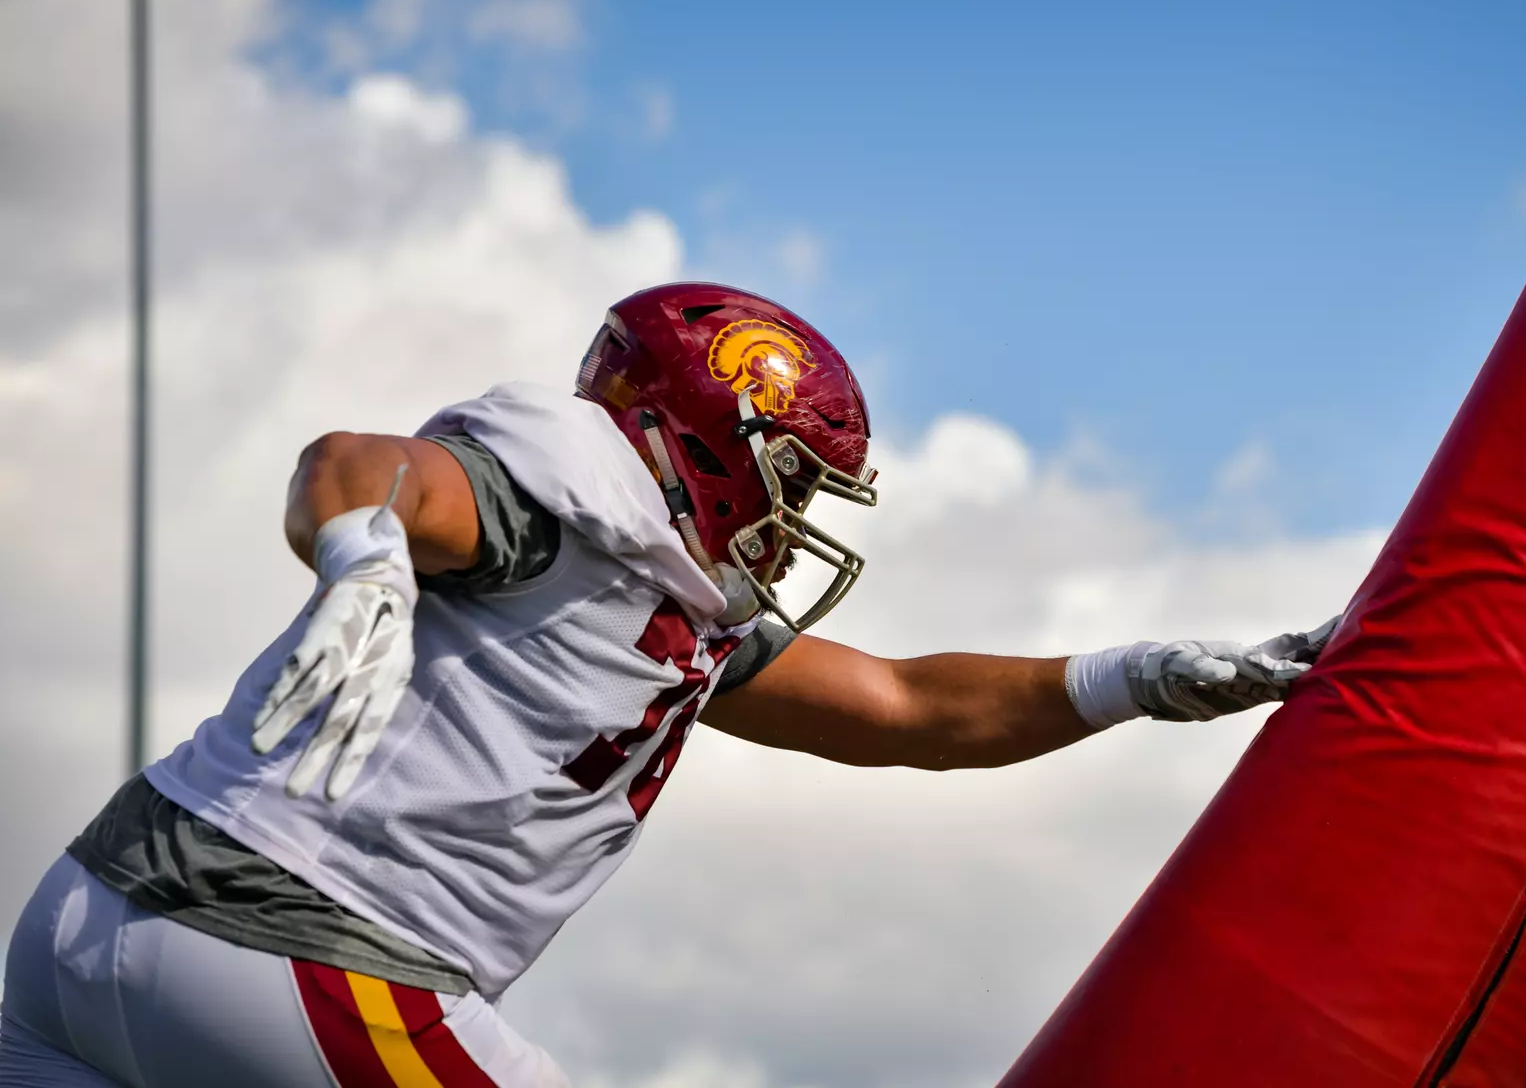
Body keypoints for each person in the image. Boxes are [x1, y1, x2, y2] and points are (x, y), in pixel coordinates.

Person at [0, 283, 1336, 1087]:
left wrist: (1139, 677)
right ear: (700, 432)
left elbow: (912, 711)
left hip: (89, 925)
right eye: (791, 476)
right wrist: (363, 555)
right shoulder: (565, 498)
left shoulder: (662, 601)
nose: (796, 513)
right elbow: (358, 461)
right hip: (287, 953)